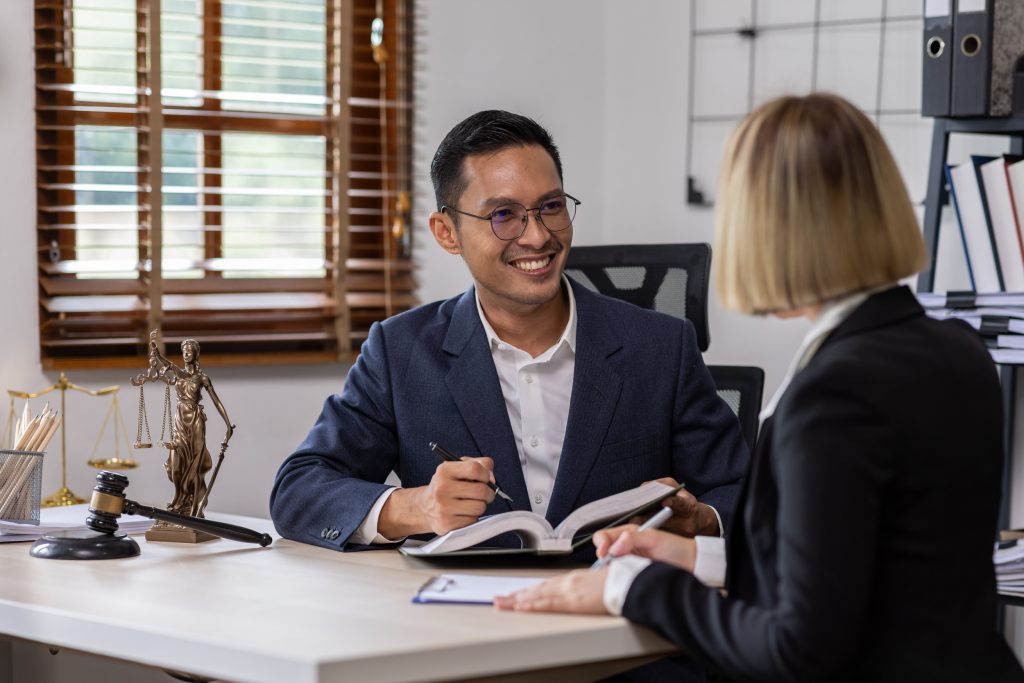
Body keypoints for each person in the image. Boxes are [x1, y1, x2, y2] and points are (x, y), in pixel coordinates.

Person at [496, 93, 1024, 681]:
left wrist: (636, 590)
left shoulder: (833, 398)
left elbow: (797, 651)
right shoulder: (956, 349)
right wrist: (699, 557)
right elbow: (876, 566)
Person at [269, 110, 748, 554]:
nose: (537, 236)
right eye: (504, 215)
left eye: (550, 207)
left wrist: (701, 520)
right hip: (465, 629)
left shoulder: (660, 347)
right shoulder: (401, 352)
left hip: (621, 620)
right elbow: (300, 488)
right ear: (446, 233)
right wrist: (417, 507)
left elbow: (742, 492)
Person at [134, 331, 234, 518]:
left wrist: (228, 424)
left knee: (195, 464)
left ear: (196, 354)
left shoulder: (203, 378)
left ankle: (195, 507)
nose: (186, 354)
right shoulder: (179, 373)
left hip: (195, 421)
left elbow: (216, 401)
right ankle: (179, 500)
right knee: (176, 464)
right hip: (179, 419)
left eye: (189, 351)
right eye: (184, 351)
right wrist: (156, 352)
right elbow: (167, 364)